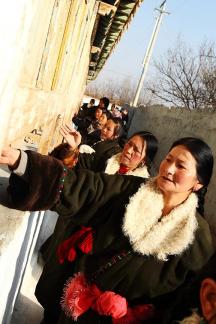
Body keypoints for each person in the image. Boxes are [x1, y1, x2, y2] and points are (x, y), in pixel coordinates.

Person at [0, 137, 214, 324]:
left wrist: (136, 313)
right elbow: (86, 186)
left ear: (198, 183)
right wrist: (25, 163)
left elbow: (187, 303)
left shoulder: (196, 238)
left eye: (181, 166)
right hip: (79, 308)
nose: (169, 169)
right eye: (168, 159)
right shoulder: (131, 190)